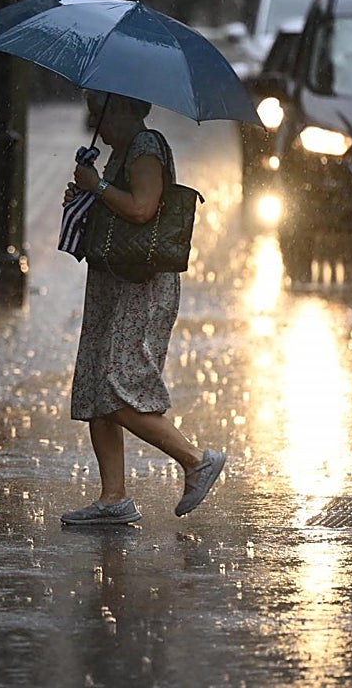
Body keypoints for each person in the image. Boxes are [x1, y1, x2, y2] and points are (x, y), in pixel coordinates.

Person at [61, 91, 226, 525]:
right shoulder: (120, 151)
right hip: (114, 282)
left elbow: (141, 209)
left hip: (140, 286)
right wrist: (86, 195)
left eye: (99, 113)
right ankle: (113, 497)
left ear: (122, 109)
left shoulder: (146, 147)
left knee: (118, 386)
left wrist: (96, 185)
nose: (94, 120)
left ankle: (195, 460)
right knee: (99, 386)